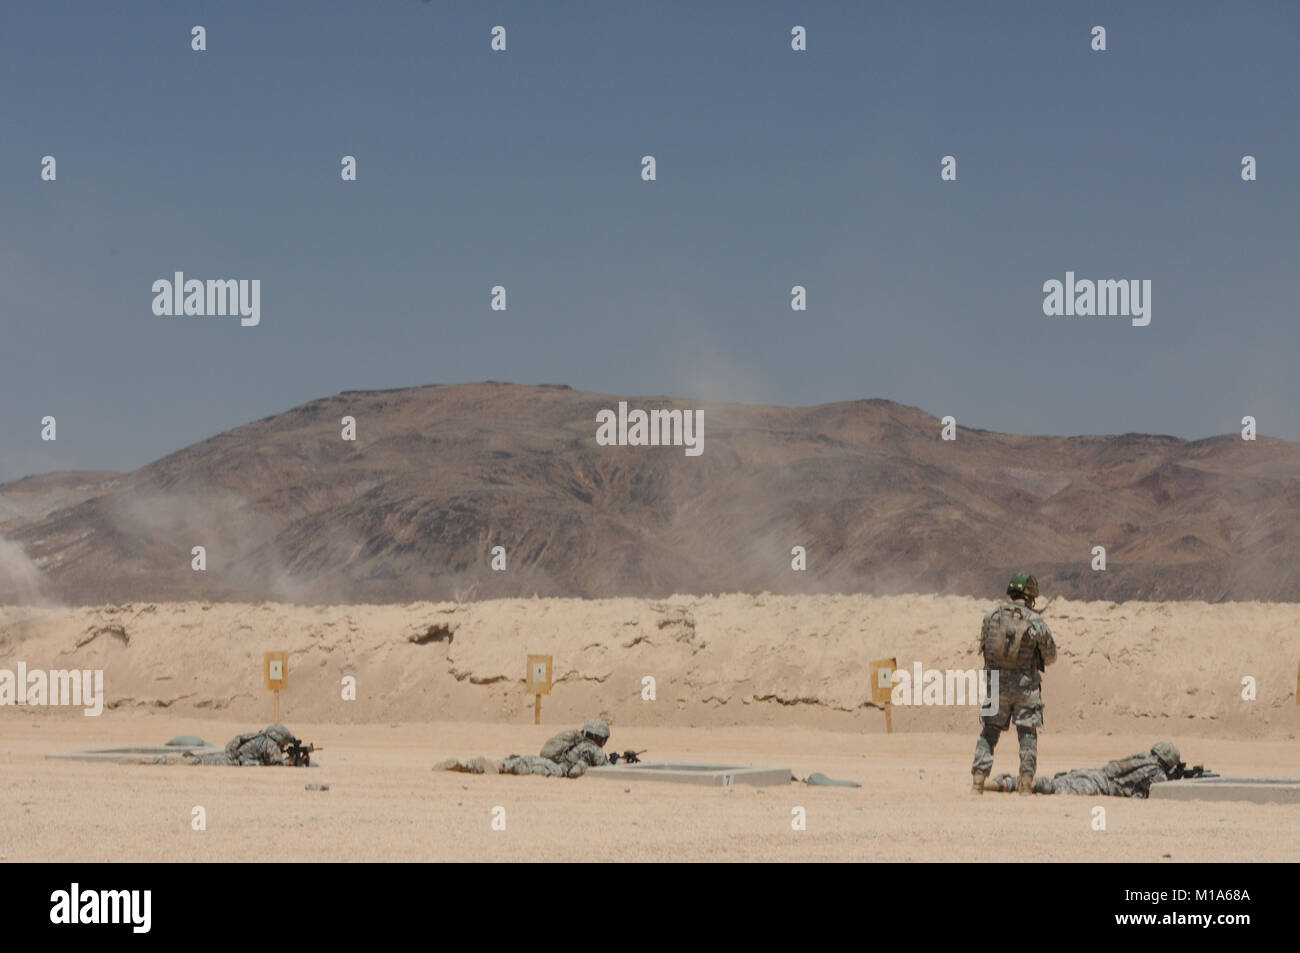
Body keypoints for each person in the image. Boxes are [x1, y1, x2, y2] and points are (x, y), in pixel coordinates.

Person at [970, 573, 1057, 795]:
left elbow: (984, 648)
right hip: (1025, 688)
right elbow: (1050, 656)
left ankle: (978, 783)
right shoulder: (1035, 621)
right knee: (1027, 734)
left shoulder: (991, 617)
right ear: (1031, 596)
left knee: (989, 732)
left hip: (996, 685)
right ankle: (1026, 785)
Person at [989, 742, 1183, 797]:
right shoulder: (1156, 773)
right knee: (1050, 788)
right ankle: (1006, 784)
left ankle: (1002, 783)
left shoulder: (1142, 758)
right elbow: (1164, 791)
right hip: (1096, 786)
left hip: (1093, 774)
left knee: (1053, 782)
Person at [439, 718, 614, 778]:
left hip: (546, 761)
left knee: (517, 761)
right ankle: (485, 767)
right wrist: (616, 761)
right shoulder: (594, 750)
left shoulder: (575, 740)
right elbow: (611, 770)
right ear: (600, 737)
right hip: (554, 770)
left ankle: (467, 765)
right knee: (521, 767)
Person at [188, 723, 294, 766]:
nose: (283, 747)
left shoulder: (260, 737)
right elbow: (277, 765)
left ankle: (190, 759)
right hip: (235, 762)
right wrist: (289, 762)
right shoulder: (271, 744)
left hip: (232, 757)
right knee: (201, 762)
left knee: (203, 760)